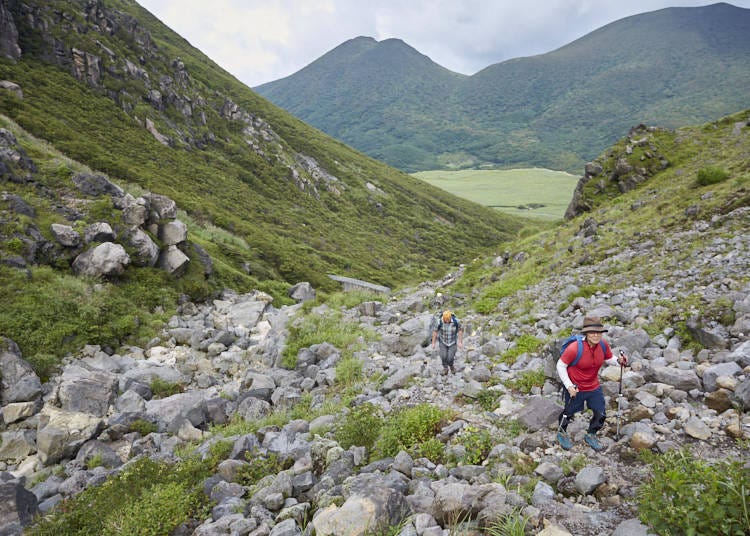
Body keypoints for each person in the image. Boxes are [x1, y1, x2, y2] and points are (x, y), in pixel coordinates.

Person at [556, 316, 628, 451]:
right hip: (576, 387)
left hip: (593, 386)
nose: (595, 335)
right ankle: (561, 432)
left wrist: (618, 361)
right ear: (586, 333)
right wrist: (569, 386)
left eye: (598, 332)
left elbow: (608, 358)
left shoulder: (603, 345)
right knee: (569, 412)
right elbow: (561, 365)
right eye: (592, 332)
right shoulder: (574, 348)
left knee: (600, 413)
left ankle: (591, 434)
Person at [431, 310, 463, 375]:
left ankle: (451, 366)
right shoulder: (439, 322)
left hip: (453, 342)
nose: (447, 322)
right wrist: (433, 343)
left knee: (450, 358)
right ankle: (445, 368)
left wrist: (460, 342)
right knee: (443, 356)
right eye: (446, 320)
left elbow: (460, 330)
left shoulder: (456, 321)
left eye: (448, 320)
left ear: (450, 318)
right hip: (443, 342)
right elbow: (435, 331)